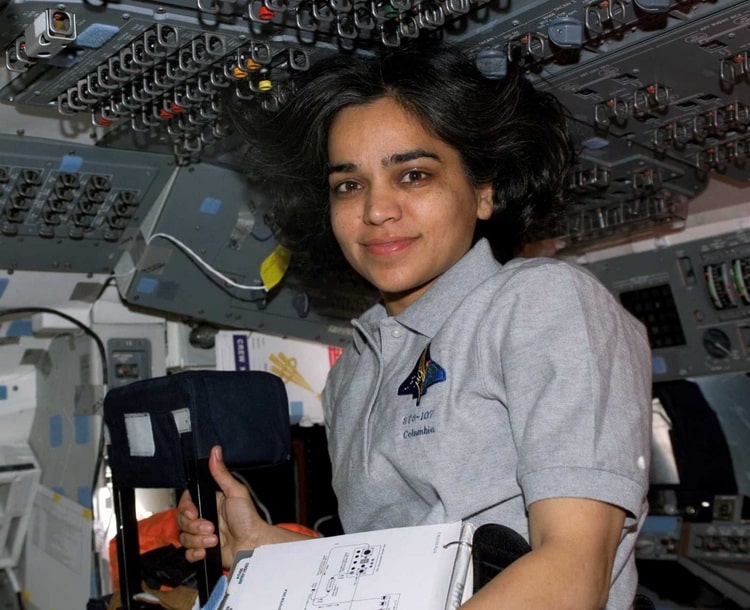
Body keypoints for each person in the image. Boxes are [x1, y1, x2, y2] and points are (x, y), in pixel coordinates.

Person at [178, 43, 652, 609]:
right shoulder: (354, 372)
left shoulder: (542, 302)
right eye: (349, 185)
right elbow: (394, 575)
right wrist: (260, 546)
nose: (377, 210)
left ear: (483, 191)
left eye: (413, 175)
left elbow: (573, 571)